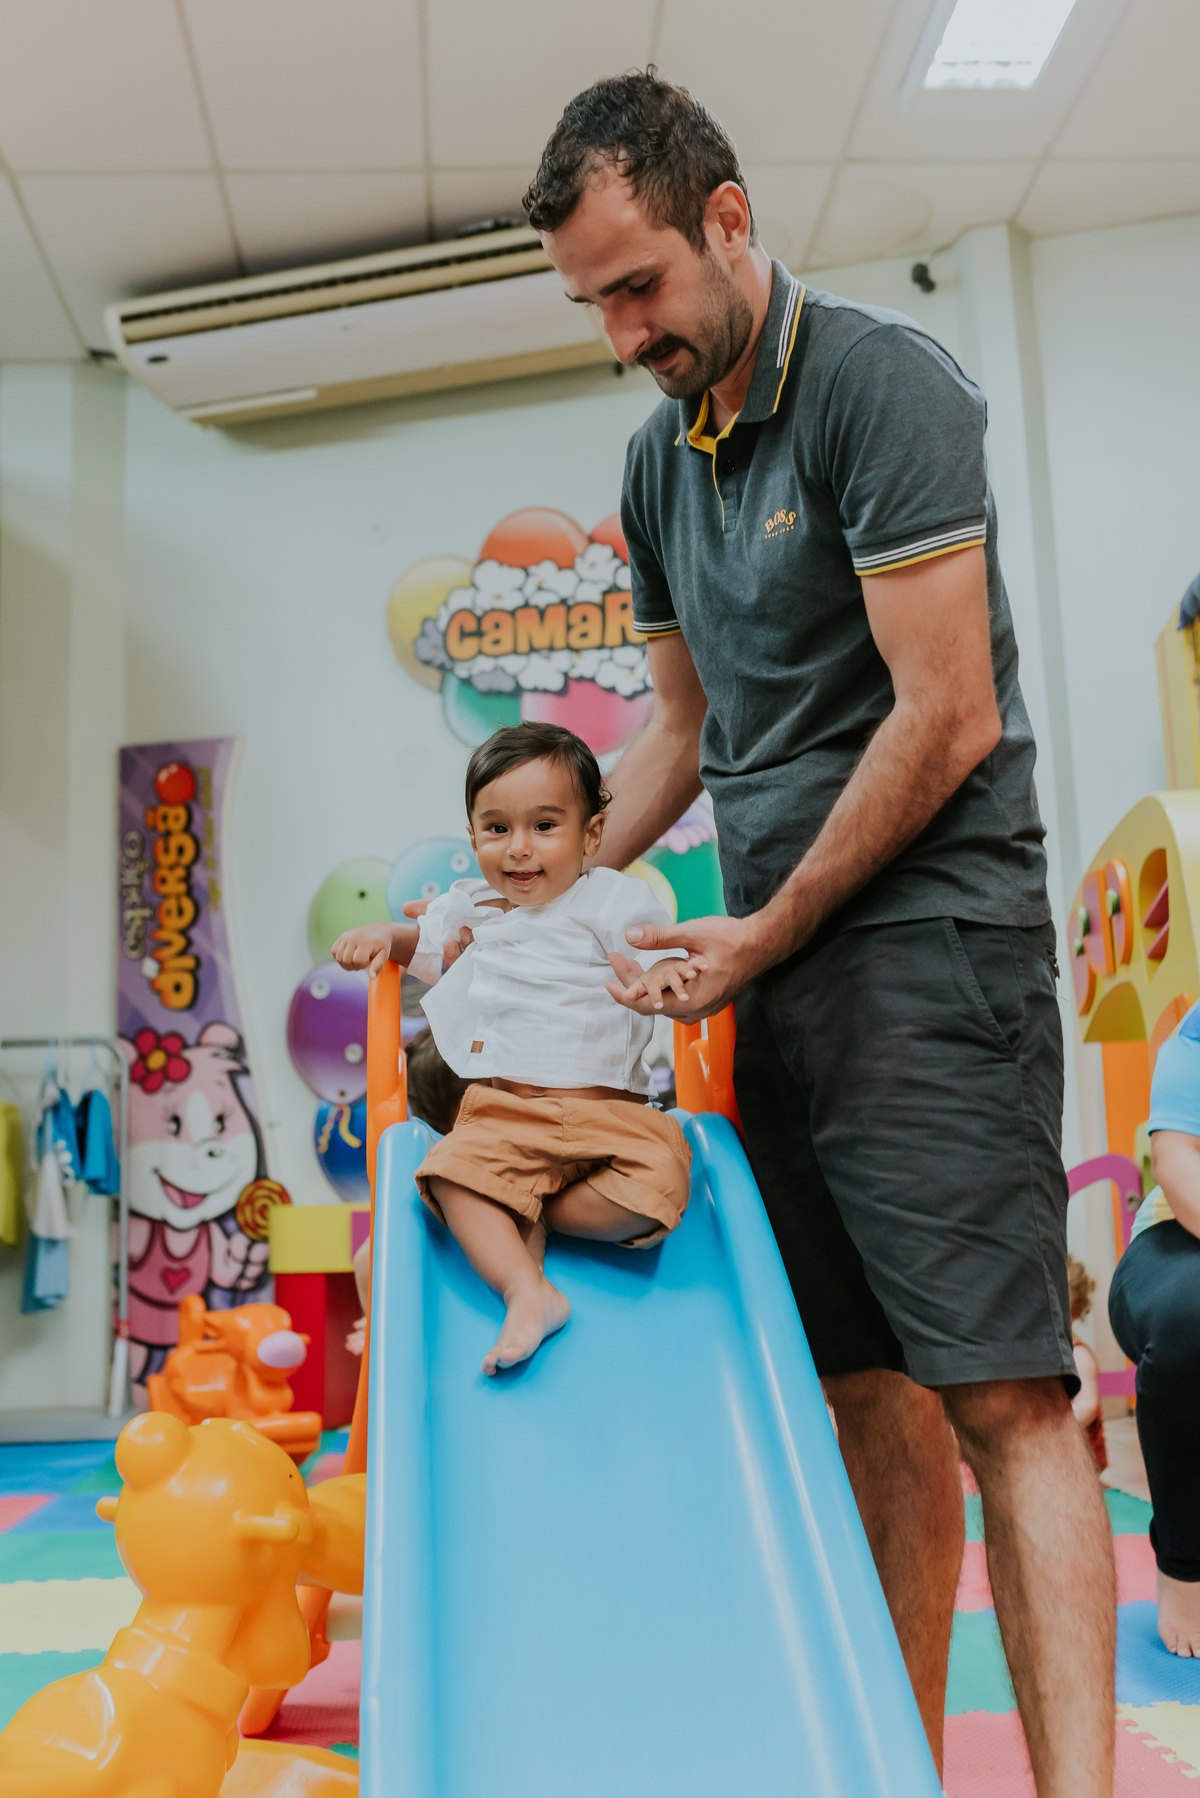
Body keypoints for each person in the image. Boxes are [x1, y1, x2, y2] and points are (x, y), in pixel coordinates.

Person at [524, 68, 1115, 1792]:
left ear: (729, 218)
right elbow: (675, 742)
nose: (626, 329)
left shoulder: (881, 388)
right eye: (592, 304)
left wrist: (763, 924)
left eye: (640, 284)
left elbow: (943, 719)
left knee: (1006, 1391)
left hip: (929, 943)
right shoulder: (657, 458)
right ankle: (900, 1767)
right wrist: (504, 903)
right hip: (774, 972)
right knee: (866, 1388)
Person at [332, 722, 696, 1375]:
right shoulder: (470, 905)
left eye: (544, 827)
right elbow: (422, 946)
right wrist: (384, 935)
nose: (519, 850)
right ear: (472, 837)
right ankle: (526, 1290)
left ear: (590, 835)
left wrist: (664, 973)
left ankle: (528, 1207)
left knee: (658, 1191)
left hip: (609, 1118)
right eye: (497, 829)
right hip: (508, 1117)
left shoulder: (609, 898)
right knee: (444, 1174)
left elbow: (656, 949)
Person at [1110, 999, 1200, 1657]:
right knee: (1190, 1323)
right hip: (1179, 1239)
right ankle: (1184, 1566)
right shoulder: (1192, 1040)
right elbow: (1177, 1164)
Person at [344, 1028, 476, 1357]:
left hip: (448, 1280)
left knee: (367, 1255)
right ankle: (381, 1331)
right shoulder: (436, 1151)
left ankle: (380, 1330)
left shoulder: (421, 1143)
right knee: (368, 1256)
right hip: (449, 1272)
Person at [1067, 1256, 1107, 1474]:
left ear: (1076, 1311)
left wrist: (1053, 1428)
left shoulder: (1078, 1355)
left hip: (1080, 1453)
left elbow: (1088, 1405)